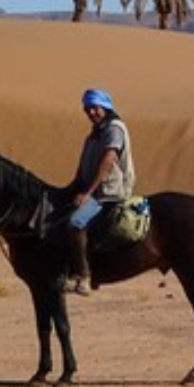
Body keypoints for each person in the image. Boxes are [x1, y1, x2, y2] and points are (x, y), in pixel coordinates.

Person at [64, 88, 136, 296]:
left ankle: (83, 276)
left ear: (105, 107)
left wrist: (88, 193)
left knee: (76, 222)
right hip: (93, 191)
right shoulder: (94, 135)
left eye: (95, 108)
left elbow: (108, 161)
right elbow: (83, 168)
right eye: (87, 109)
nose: (91, 113)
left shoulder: (114, 129)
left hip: (108, 194)